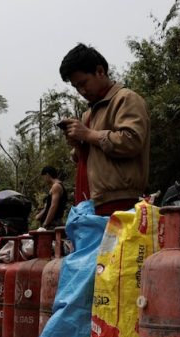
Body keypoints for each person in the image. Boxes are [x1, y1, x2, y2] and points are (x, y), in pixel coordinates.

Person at [58, 43, 150, 217]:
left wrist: (88, 134)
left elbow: (131, 141)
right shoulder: (89, 114)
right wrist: (78, 144)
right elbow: (85, 157)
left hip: (122, 201)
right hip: (91, 202)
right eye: (76, 87)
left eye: (83, 83)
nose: (81, 91)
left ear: (100, 71)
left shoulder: (126, 99)